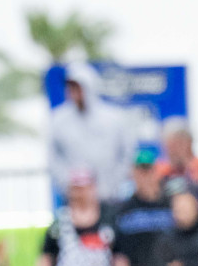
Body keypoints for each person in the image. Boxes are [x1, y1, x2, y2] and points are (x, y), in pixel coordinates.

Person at [47, 61, 134, 202]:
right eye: (70, 86)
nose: (73, 91)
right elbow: (53, 157)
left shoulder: (113, 118)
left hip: (109, 195)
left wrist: (115, 182)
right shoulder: (58, 120)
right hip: (76, 197)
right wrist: (67, 184)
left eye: (77, 86)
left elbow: (126, 153)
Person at [154, 118, 198, 199]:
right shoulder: (162, 173)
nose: (171, 152)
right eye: (168, 146)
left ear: (188, 143)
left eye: (175, 145)